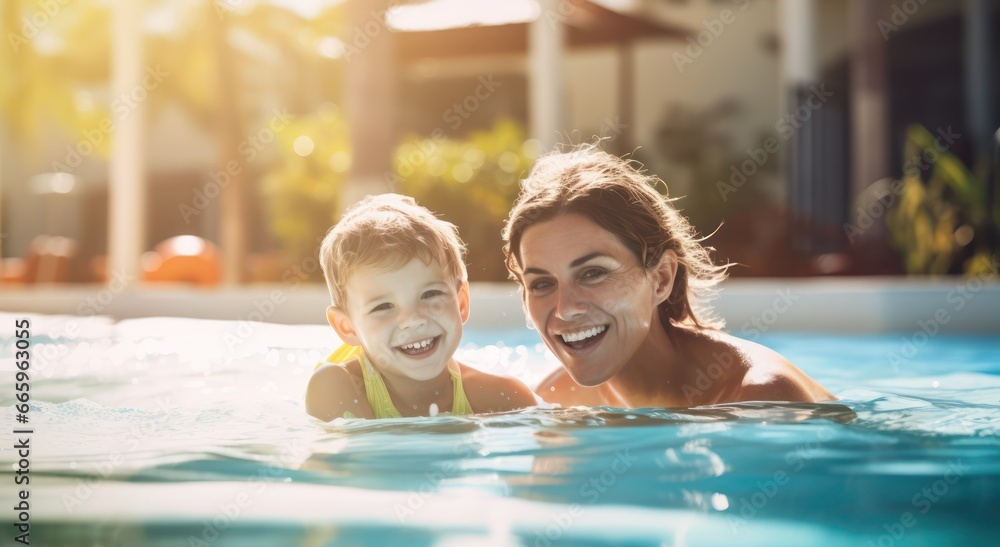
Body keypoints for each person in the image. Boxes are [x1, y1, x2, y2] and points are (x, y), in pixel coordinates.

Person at [501, 145, 834, 408]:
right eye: (542, 283)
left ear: (661, 278)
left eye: (593, 273)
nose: (564, 309)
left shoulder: (760, 399)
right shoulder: (559, 399)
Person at [306, 194, 537, 420]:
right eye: (383, 306)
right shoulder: (334, 386)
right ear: (347, 327)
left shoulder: (502, 397)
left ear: (462, 302)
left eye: (430, 294)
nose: (413, 319)